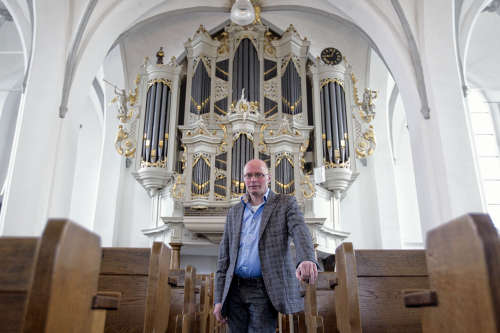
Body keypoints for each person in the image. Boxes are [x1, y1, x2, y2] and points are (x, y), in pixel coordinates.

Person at [214, 159, 318, 332]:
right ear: (244, 179)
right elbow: (223, 259)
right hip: (234, 291)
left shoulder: (284, 204)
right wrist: (219, 299)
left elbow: (300, 230)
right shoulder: (234, 212)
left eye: (259, 175)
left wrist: (306, 258)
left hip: (263, 289)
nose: (253, 179)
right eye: (248, 175)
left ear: (268, 178)